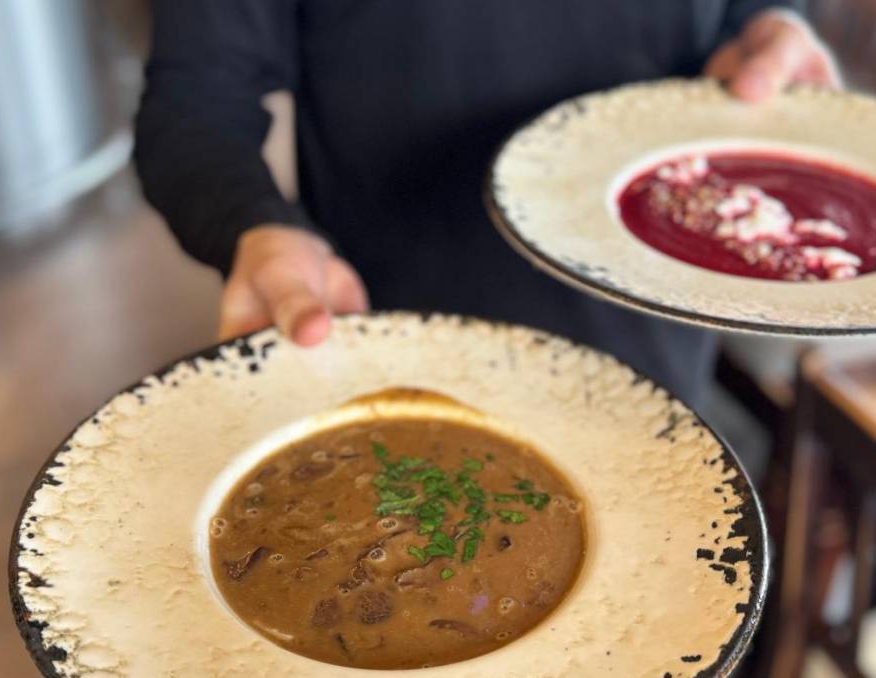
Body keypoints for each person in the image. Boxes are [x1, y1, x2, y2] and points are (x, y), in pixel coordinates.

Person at [135, 1, 837, 405]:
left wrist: (770, 24)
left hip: (654, 352)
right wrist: (255, 227)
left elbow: (744, 11)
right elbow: (193, 105)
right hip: (391, 347)